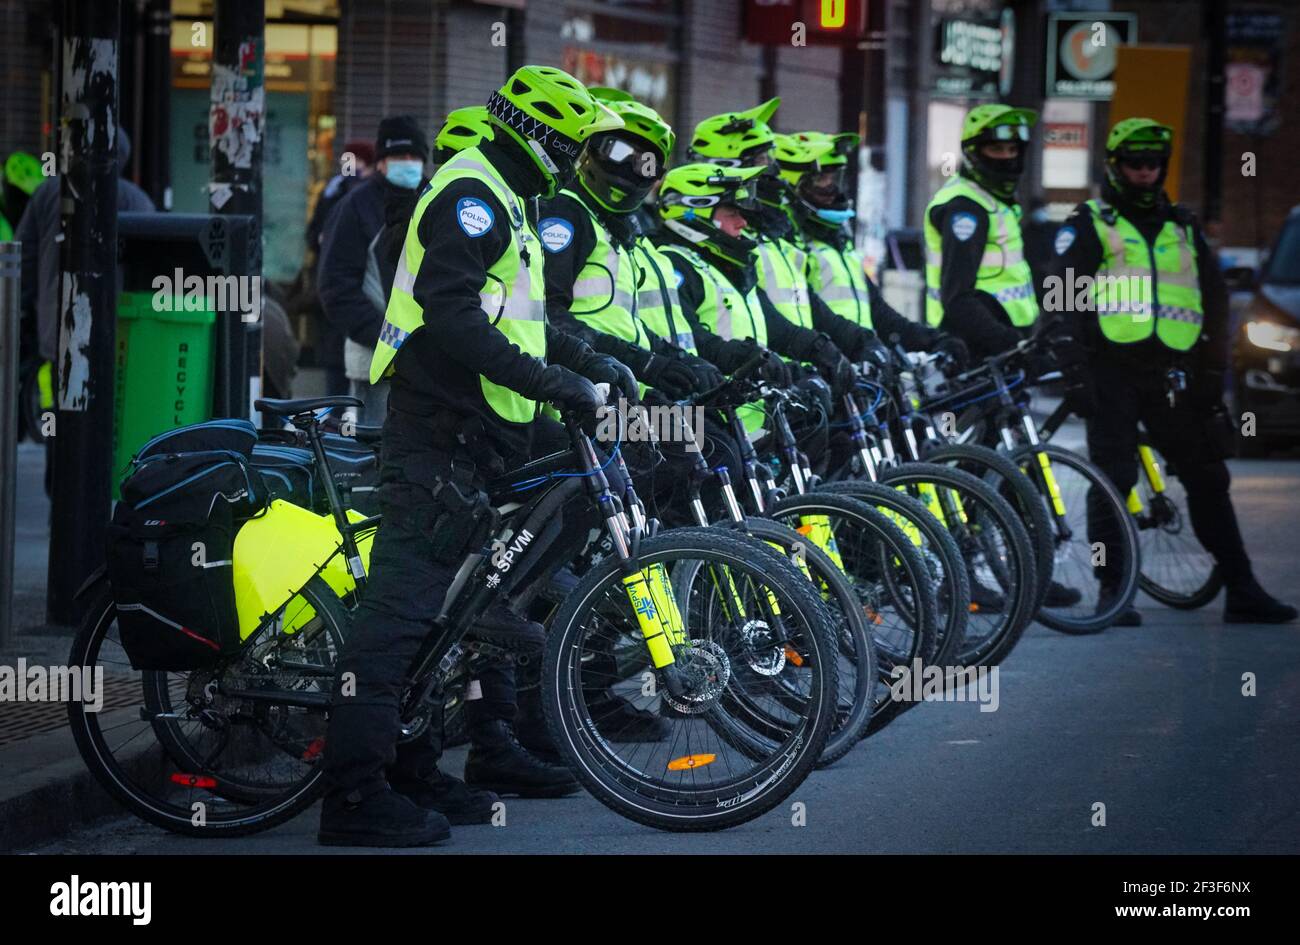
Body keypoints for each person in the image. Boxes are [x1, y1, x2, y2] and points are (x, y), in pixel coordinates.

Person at [319, 66, 632, 848]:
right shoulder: (472, 196)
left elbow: (519, 321)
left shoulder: (507, 199)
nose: (568, 164)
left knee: (448, 613)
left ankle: (412, 767)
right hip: (436, 431)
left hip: (479, 432)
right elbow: (452, 318)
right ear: (533, 133)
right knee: (400, 610)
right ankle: (352, 795)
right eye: (565, 147)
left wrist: (590, 359)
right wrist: (556, 381)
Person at [1046, 117, 1297, 626]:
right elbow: (1061, 294)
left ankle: (1242, 587)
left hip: (1173, 375)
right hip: (1110, 372)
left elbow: (1215, 300)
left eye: (1152, 164)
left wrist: (1212, 371)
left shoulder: (1183, 226)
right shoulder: (1091, 224)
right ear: (1115, 167)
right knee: (1113, 478)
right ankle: (1114, 590)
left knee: (1208, 475)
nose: (1144, 173)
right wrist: (1073, 366)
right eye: (1134, 164)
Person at [784, 130, 966, 364]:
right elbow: (813, 317)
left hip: (860, 373)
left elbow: (877, 312)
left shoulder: (839, 243)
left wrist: (930, 340)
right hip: (824, 370)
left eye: (834, 178)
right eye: (820, 179)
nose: (830, 189)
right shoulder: (793, 245)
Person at [318, 117, 427, 424]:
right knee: (375, 453)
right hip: (375, 363)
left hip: (432, 364)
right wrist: (389, 337)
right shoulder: (355, 206)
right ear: (381, 161)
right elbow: (336, 287)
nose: (407, 163)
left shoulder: (434, 198)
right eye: (398, 157)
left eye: (414, 157)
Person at [923, 104, 1040, 360]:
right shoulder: (966, 209)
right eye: (996, 148)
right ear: (974, 153)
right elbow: (957, 298)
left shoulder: (994, 202)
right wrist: (1010, 344)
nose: (1007, 157)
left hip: (999, 344)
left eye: (1012, 149)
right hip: (974, 348)